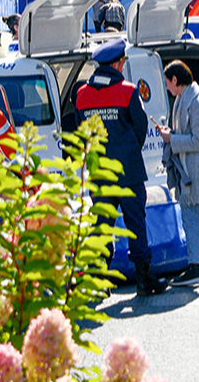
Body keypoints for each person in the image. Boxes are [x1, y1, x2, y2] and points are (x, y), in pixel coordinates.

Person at [70, 39, 167, 296]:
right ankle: (144, 280)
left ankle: (100, 281)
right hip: (128, 171)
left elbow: (82, 132)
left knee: (101, 224)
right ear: (116, 63)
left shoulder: (82, 95)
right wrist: (128, 151)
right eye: (123, 61)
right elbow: (140, 128)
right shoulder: (127, 91)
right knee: (136, 223)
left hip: (99, 172)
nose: (123, 65)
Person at [158, 60, 199, 287]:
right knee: (193, 214)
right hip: (193, 167)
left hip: (196, 169)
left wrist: (171, 139)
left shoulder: (196, 102)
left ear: (176, 80)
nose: (167, 88)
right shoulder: (189, 98)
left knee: (190, 214)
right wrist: (172, 134)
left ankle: (195, 266)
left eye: (168, 83)